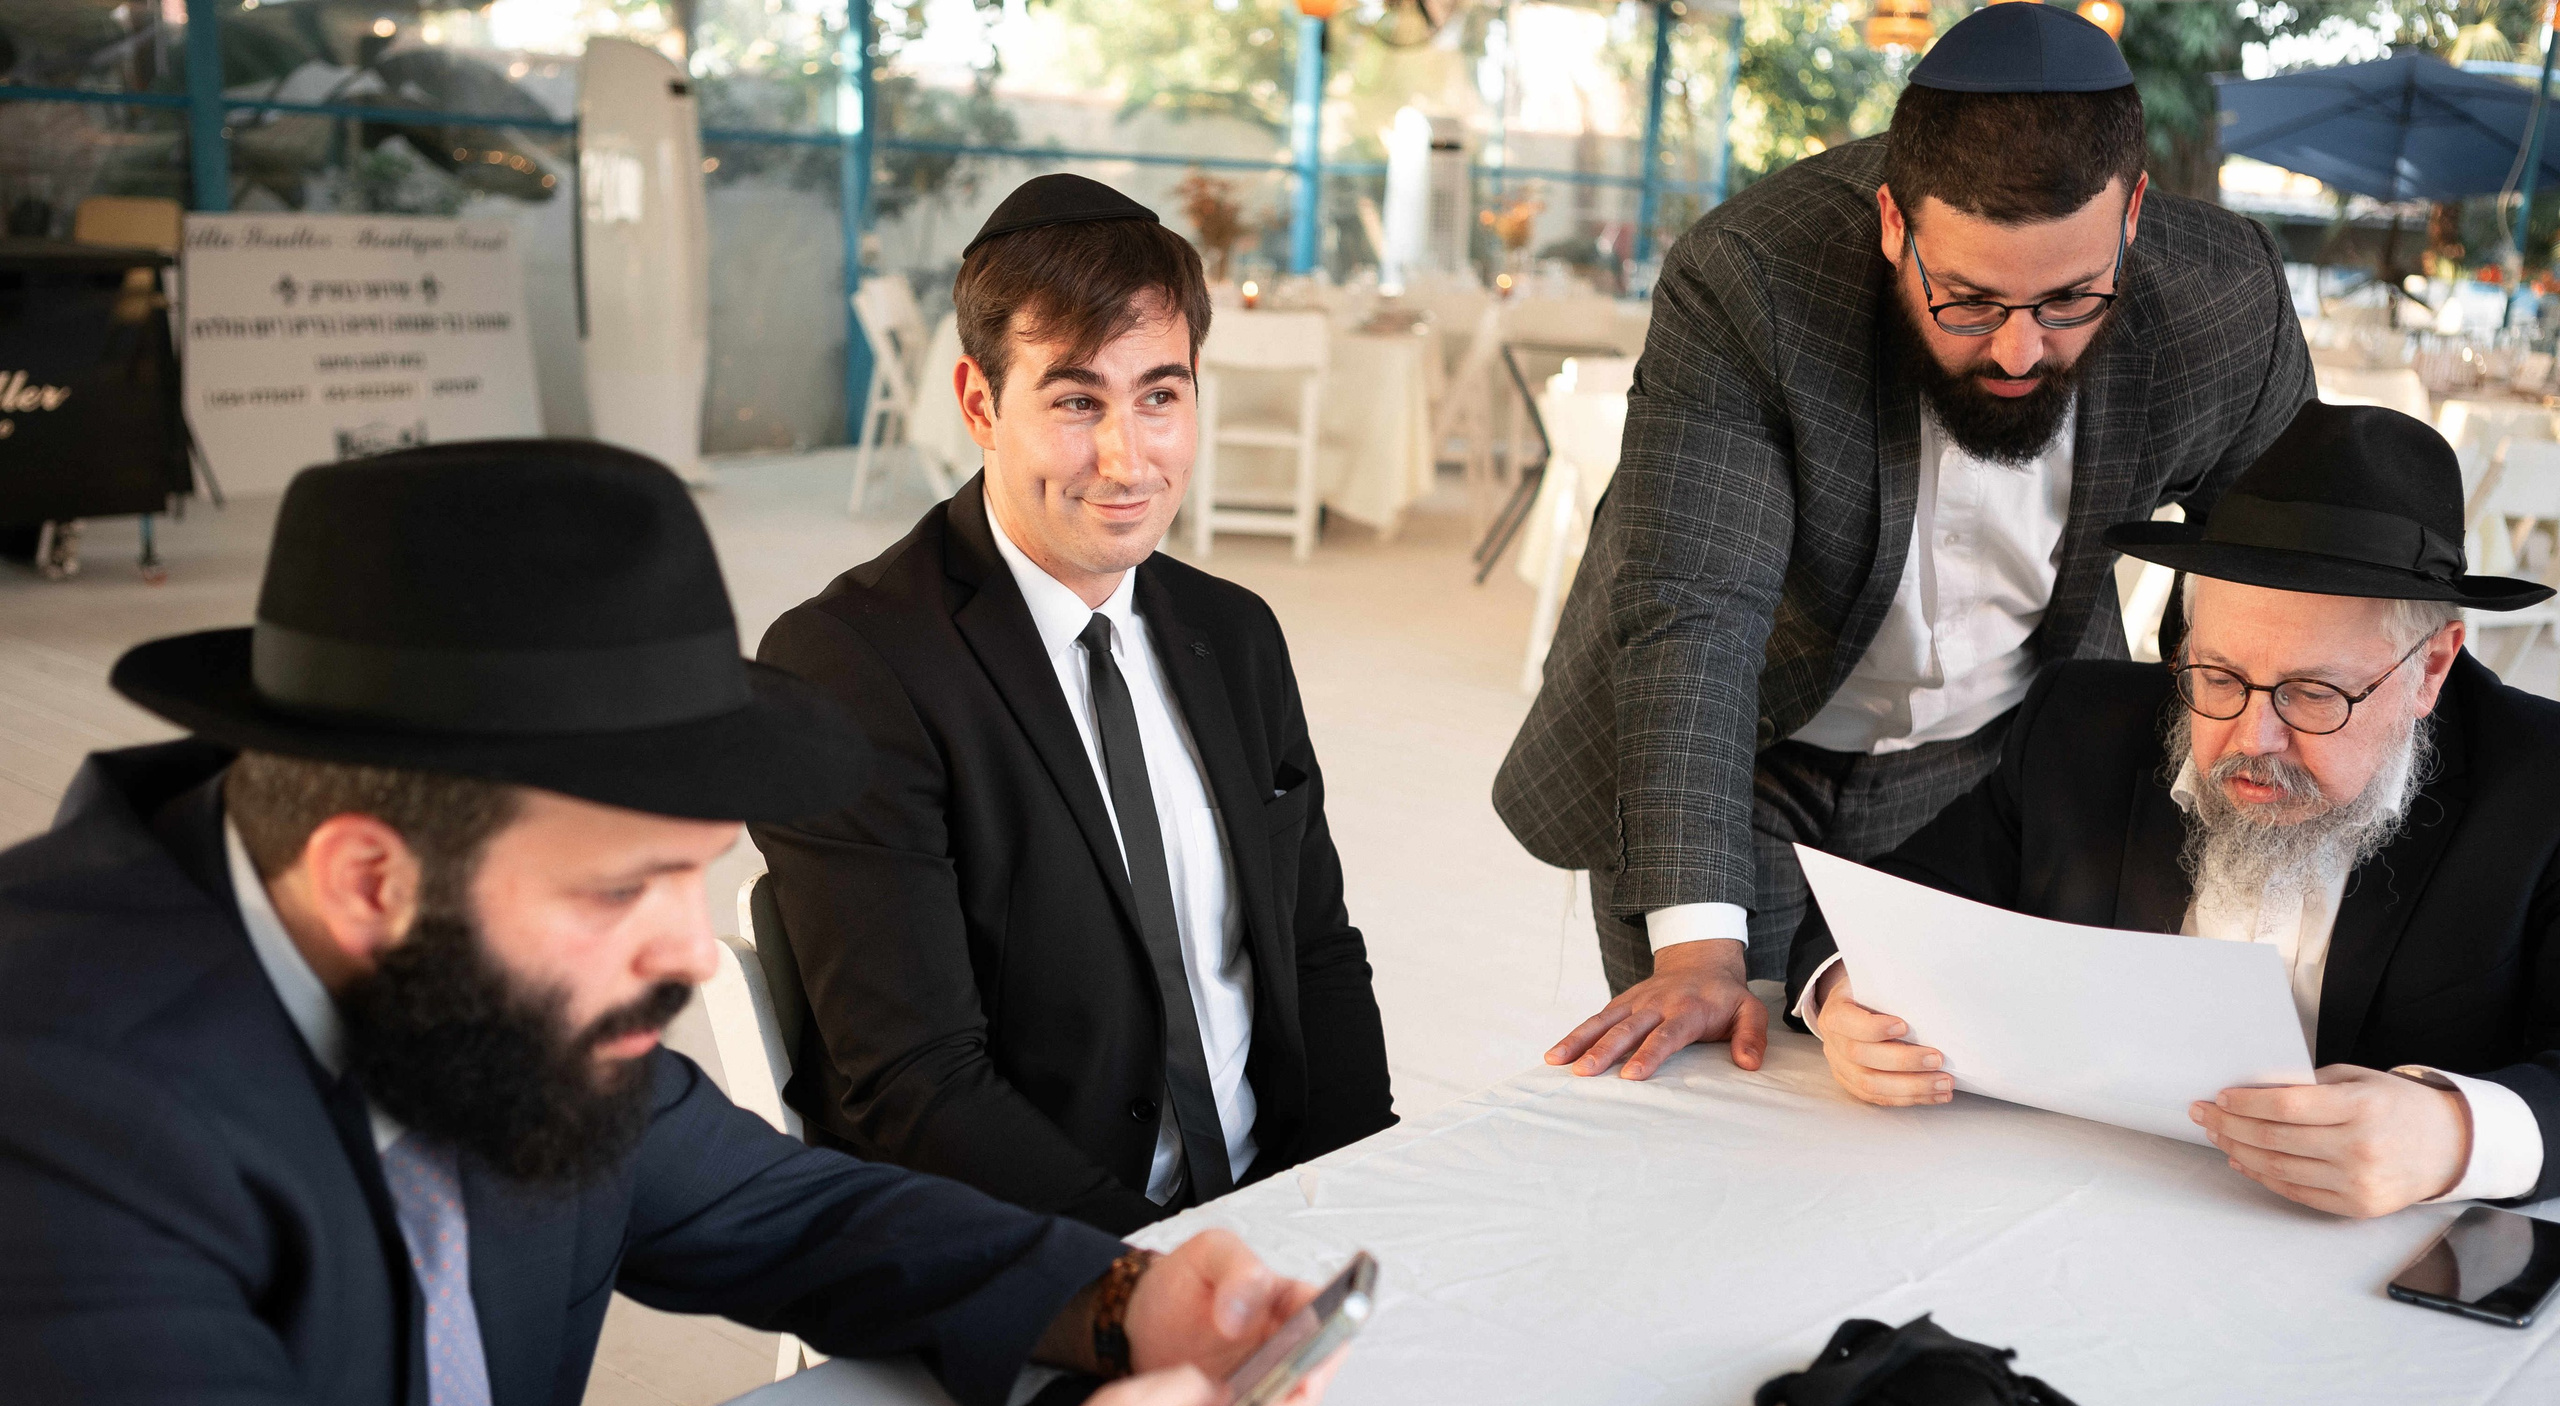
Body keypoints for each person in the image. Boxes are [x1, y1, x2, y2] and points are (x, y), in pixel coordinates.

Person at [0, 439, 1344, 1406]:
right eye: (621, 889)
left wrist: (1121, 1298)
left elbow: (779, 1209)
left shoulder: (472, 965)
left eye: (693, 877)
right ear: (368, 880)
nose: (692, 954)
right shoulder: (55, 1111)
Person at [1494, 3, 2313, 1086]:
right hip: (1750, 758)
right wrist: (1696, 950)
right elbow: (1697, 607)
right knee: (1741, 1105)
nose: (2018, 351)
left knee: (1987, 1100)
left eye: (2068, 300)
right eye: (1967, 301)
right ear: (1894, 222)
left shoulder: (2226, 299)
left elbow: (2281, 572)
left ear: (2131, 217)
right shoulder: (1754, 277)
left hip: (2001, 764)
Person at [752, 175, 1393, 1236]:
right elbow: (916, 1082)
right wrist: (1147, 1277)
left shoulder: (1234, 635)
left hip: (1270, 1208)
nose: (1127, 459)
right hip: (1037, 1252)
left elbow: (1314, 949)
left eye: (1159, 396)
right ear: (978, 404)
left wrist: (1369, 1190)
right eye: (1076, 401)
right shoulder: (848, 668)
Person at [1789, 402, 2560, 1218]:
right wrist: (1844, 993)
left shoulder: (2540, 788)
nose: (2253, 738)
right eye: (2219, 677)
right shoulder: (2081, 731)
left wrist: (2454, 1133)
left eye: (2312, 693)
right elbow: (1873, 908)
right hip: (2072, 1214)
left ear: (2431, 667)